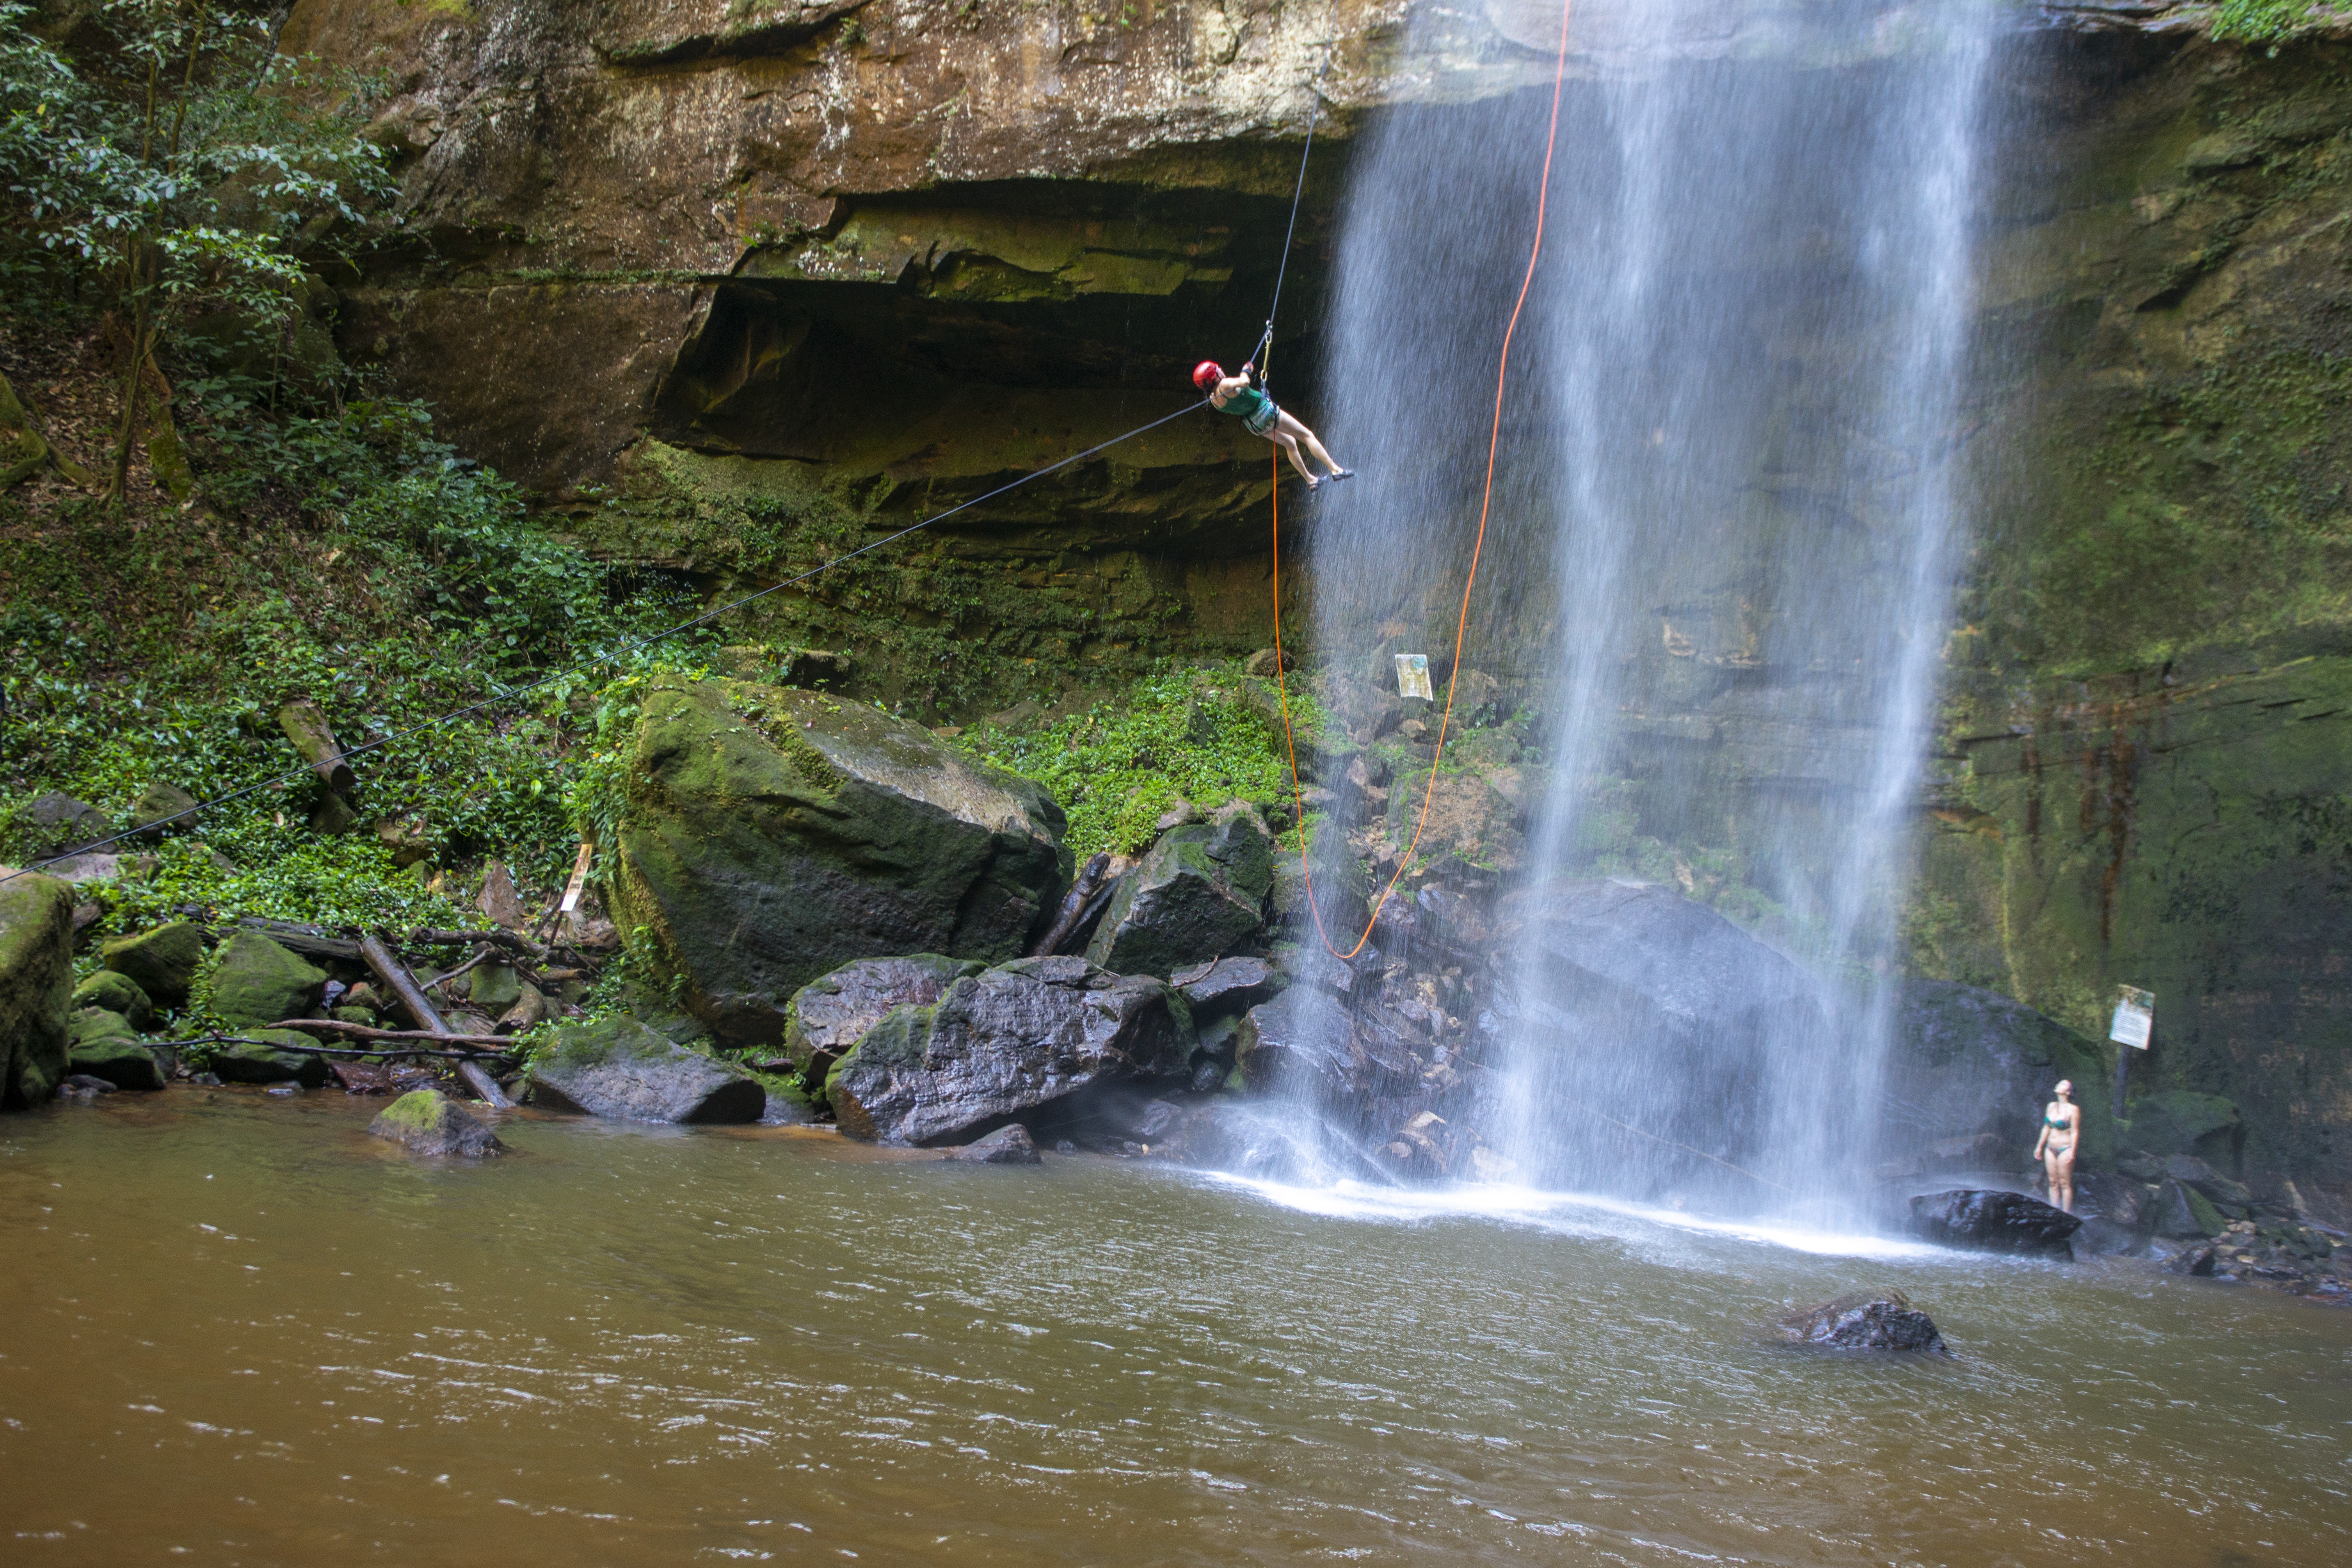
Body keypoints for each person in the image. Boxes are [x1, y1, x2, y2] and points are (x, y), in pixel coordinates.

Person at [1193, 361, 1352, 489]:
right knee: (1306, 435)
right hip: (1266, 413)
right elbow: (1245, 382)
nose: (1222, 370)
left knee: (1290, 444)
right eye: (1218, 370)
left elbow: (1241, 402)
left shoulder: (1214, 400)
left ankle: (1311, 480)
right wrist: (1246, 370)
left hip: (1255, 425)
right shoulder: (1224, 385)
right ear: (1214, 376)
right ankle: (1335, 470)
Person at [2032, 1078, 2083, 1213]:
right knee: (2053, 1181)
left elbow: (2075, 1132)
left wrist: (2073, 1151)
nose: (2059, 1085)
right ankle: (2054, 1211)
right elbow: (2046, 1128)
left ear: (2068, 1092)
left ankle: (2066, 1214)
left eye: (2063, 1084)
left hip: (2065, 1149)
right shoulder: (2051, 1106)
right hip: (2050, 1148)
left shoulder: (2074, 1110)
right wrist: (2039, 1146)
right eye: (2059, 1083)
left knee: (2065, 1183)